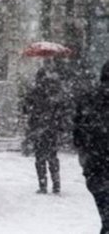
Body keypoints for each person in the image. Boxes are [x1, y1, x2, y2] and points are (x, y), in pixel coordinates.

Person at [22, 59, 66, 194]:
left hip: (38, 128)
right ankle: (56, 184)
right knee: (52, 156)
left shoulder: (34, 92)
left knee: (40, 157)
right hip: (52, 128)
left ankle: (43, 185)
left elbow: (25, 109)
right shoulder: (55, 92)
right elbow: (61, 109)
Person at [74, 60, 109, 233]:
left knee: (105, 213)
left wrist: (84, 155)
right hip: (98, 159)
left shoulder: (88, 98)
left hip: (96, 163)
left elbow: (78, 131)